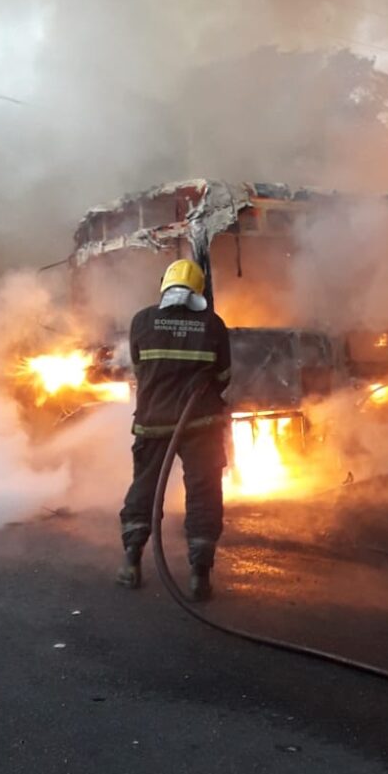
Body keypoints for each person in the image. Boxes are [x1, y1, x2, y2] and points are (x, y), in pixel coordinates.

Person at [118, 257, 231, 600]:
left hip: (153, 423)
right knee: (203, 492)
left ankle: (132, 562)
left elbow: (140, 369)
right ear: (199, 290)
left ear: (165, 286)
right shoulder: (213, 325)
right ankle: (200, 574)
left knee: (145, 488)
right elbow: (224, 377)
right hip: (201, 424)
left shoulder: (142, 321)